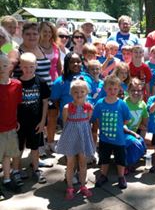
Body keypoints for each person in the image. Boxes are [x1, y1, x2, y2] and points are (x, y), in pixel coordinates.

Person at [56, 79, 95, 200]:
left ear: (86, 92)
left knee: (83, 163)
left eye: (82, 91)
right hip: (70, 137)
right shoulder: (67, 107)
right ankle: (70, 187)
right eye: (76, 92)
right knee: (70, 163)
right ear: (71, 93)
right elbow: (65, 121)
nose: (79, 94)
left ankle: (83, 186)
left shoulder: (89, 107)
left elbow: (87, 120)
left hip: (83, 136)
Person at [15, 53, 50, 184]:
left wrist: (43, 122)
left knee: (35, 148)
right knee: (19, 148)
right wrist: (14, 121)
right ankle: (17, 170)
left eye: (31, 66)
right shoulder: (16, 83)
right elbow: (13, 104)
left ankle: (36, 170)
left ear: (36, 65)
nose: (28, 70)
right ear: (20, 66)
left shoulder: (40, 82)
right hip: (20, 122)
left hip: (36, 122)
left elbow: (45, 102)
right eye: (25, 67)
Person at [92, 75, 131, 189]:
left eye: (115, 89)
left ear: (119, 89)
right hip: (104, 138)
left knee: (120, 159)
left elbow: (127, 118)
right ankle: (103, 175)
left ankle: (121, 177)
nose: (112, 91)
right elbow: (96, 118)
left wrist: (119, 126)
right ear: (105, 88)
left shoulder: (122, 104)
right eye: (109, 89)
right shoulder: (100, 103)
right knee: (104, 158)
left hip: (119, 138)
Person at [0, 54, 22, 196]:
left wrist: (17, 120)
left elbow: (17, 105)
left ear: (10, 67)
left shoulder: (16, 85)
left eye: (4, 65)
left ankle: (7, 179)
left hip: (10, 126)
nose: (1, 68)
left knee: (8, 154)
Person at [9, 22, 52, 87]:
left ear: (39, 35)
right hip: (26, 94)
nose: (31, 37)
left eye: (35, 34)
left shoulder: (42, 49)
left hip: (47, 93)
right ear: (22, 35)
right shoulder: (16, 52)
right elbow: (6, 74)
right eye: (28, 34)